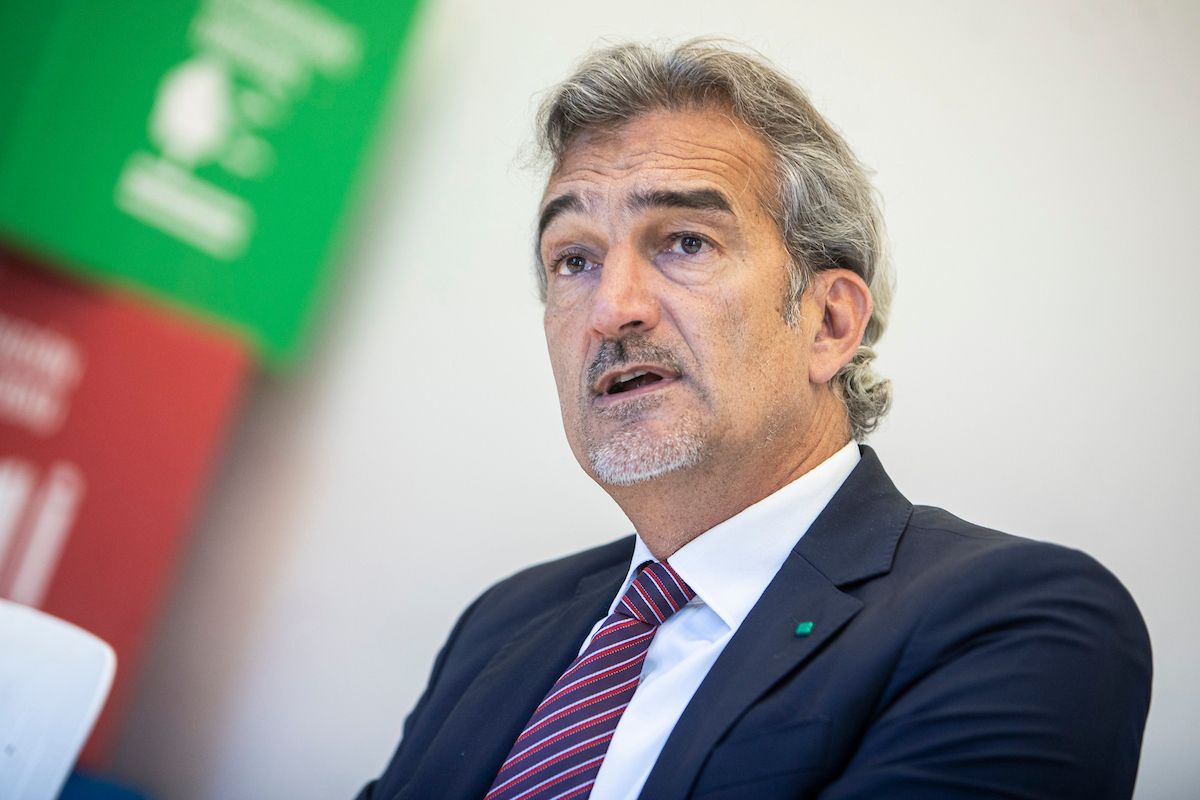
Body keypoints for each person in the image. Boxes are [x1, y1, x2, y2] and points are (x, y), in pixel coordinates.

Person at [357, 39, 1151, 800]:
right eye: (575, 259)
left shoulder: (1013, 621)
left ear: (829, 323)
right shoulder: (504, 623)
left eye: (686, 241)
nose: (611, 309)